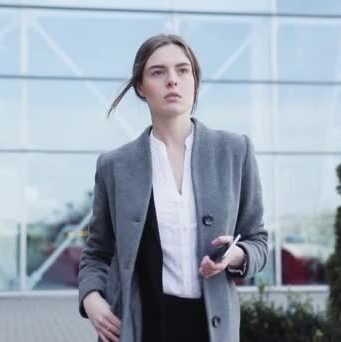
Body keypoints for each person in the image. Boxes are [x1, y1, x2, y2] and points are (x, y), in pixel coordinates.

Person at [78, 33, 268, 342]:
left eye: (182, 70)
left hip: (210, 330)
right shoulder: (114, 166)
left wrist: (236, 256)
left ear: (195, 80)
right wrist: (92, 300)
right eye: (158, 72)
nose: (172, 81)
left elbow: (258, 241)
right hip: (142, 326)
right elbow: (97, 252)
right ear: (141, 86)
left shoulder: (235, 151)